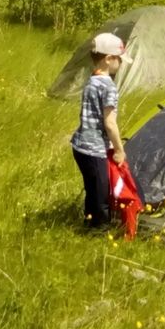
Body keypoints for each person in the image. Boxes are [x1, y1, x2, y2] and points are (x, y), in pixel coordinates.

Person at [69, 32, 132, 229]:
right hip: (94, 149)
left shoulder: (92, 81)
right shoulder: (108, 87)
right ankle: (100, 231)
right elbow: (110, 123)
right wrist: (120, 150)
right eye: (119, 60)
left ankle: (87, 224)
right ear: (108, 59)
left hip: (79, 146)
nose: (120, 64)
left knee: (92, 190)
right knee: (102, 196)